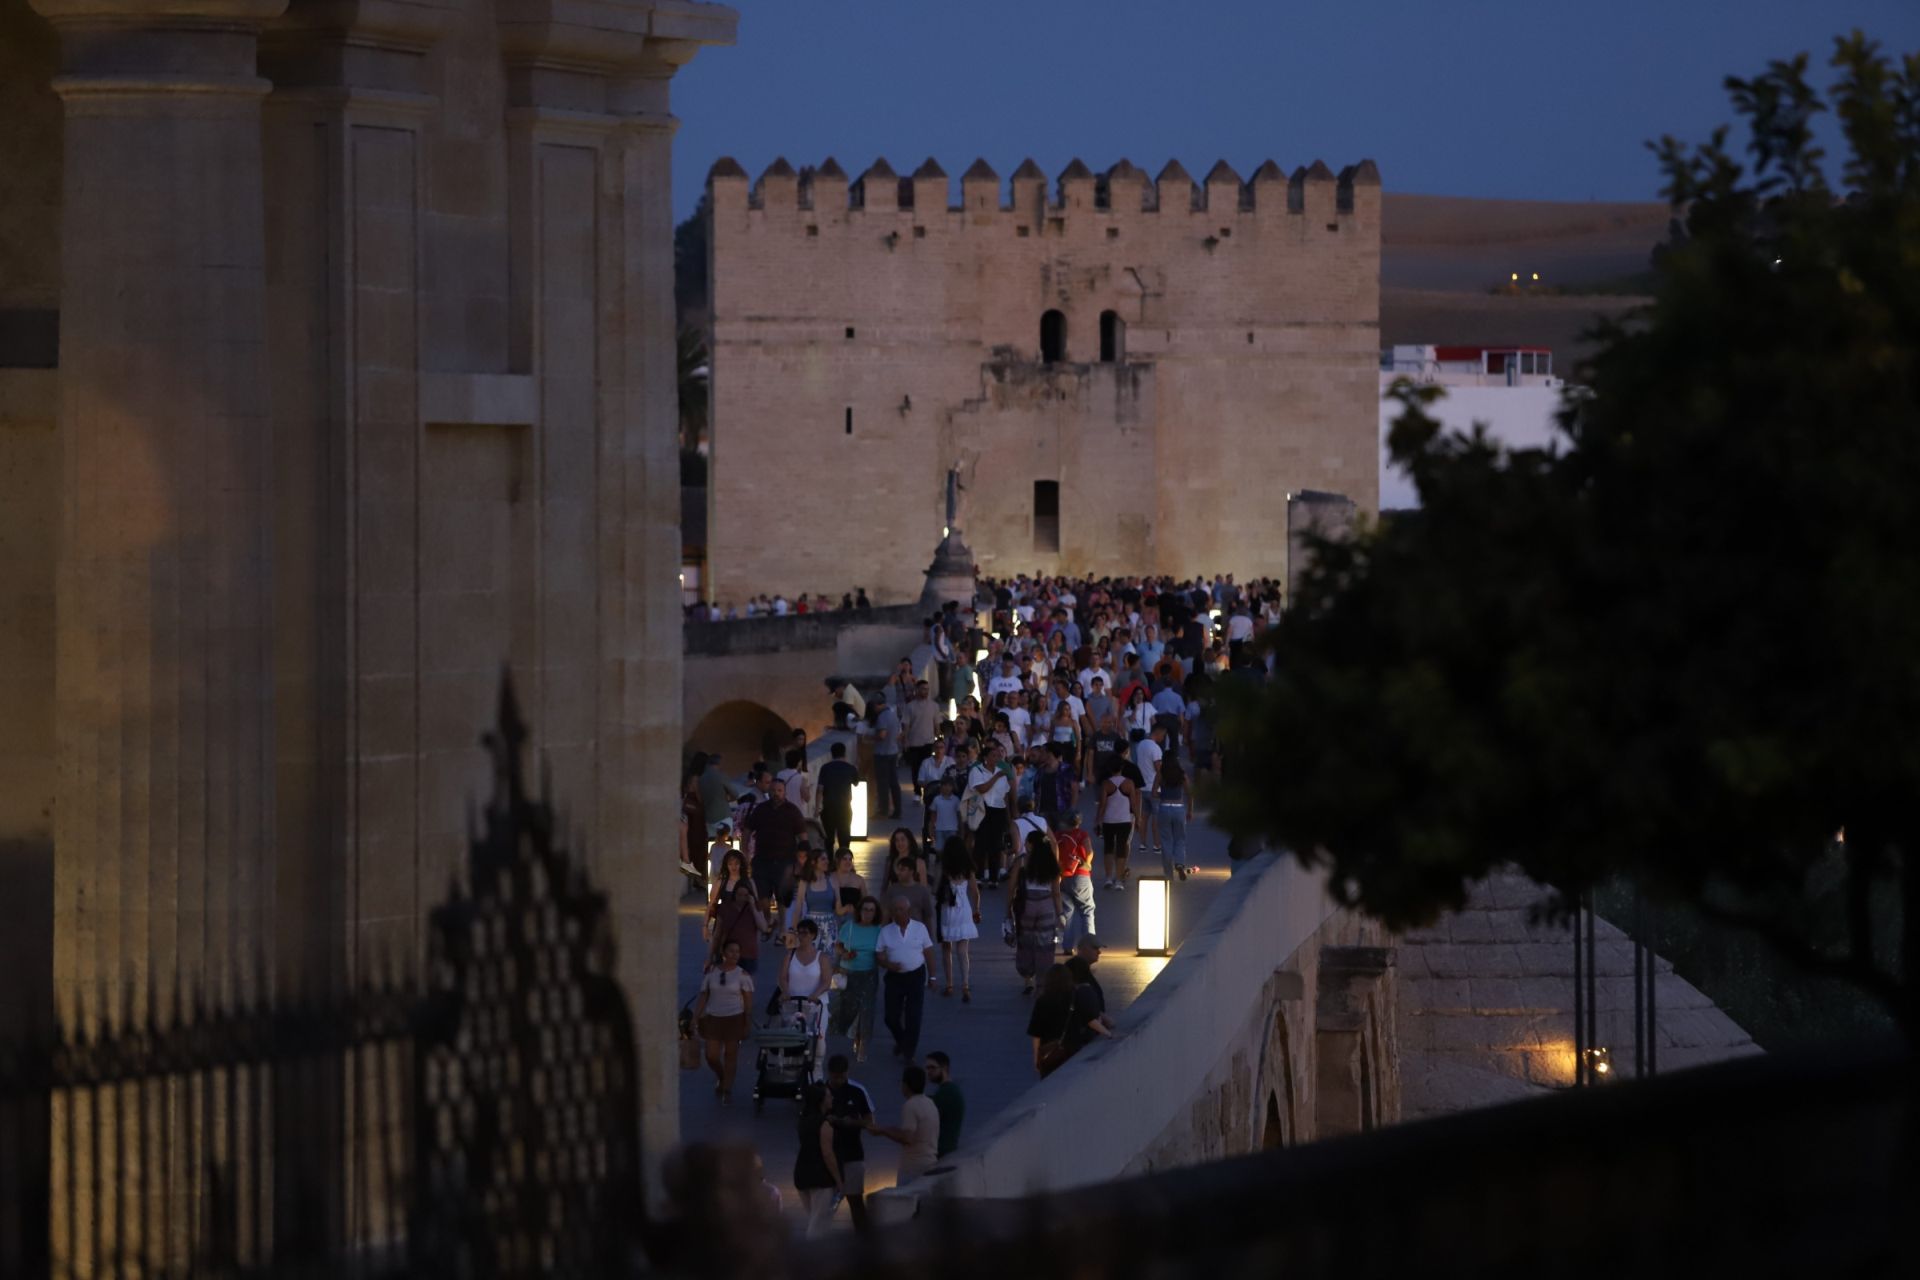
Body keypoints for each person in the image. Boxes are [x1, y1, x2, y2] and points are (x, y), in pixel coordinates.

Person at [691, 940, 755, 1104]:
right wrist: (695, 1017)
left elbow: (748, 999)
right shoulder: (712, 972)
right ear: (723, 953)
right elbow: (703, 996)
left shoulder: (743, 975)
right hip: (714, 1018)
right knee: (711, 1056)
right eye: (731, 951)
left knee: (730, 1054)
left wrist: (747, 1020)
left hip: (734, 1017)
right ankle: (721, 1075)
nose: (735, 955)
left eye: (737, 952)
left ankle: (727, 1087)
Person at [875, 895, 937, 1060]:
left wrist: (933, 977)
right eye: (895, 909)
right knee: (890, 1017)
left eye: (901, 909)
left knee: (913, 1016)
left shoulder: (920, 928)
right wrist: (888, 965)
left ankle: (909, 1052)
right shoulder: (886, 931)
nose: (897, 912)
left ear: (908, 911)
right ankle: (902, 1042)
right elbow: (879, 954)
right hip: (895, 977)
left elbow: (929, 952)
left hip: (916, 976)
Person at [1025, 962, 1108, 1078]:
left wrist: (1036, 1058)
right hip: (1072, 1049)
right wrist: (1108, 1034)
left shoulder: (1042, 1001)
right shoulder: (1075, 997)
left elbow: (1036, 1034)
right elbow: (1090, 1020)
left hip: (1050, 1052)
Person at [1007, 829, 1062, 996]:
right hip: (1046, 906)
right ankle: (1042, 983)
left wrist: (1007, 911)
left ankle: (1027, 977)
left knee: (1026, 941)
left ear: (1031, 844)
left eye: (1027, 842)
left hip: (1026, 906)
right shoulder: (1051, 862)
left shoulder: (1022, 861)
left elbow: (1011, 887)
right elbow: (1056, 891)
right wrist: (1059, 913)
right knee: (1045, 944)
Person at [865, 1064, 940, 1186]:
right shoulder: (930, 1103)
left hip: (913, 1168)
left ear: (905, 1085)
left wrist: (882, 1130)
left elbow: (907, 1137)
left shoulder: (910, 1105)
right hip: (930, 1163)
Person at [824, 1056, 875, 1233]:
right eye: (835, 1077)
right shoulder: (820, 1090)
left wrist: (851, 1123)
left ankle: (863, 1239)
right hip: (827, 1156)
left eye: (842, 1076)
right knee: (825, 1205)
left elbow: (870, 1121)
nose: (838, 1081)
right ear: (829, 1073)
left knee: (855, 1201)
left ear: (847, 1073)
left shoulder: (857, 1091)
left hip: (853, 1154)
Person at [832, 896, 883, 1061]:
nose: (868, 913)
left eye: (871, 910)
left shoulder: (878, 930)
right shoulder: (849, 926)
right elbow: (838, 945)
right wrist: (844, 954)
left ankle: (863, 1046)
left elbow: (883, 950)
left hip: (869, 974)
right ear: (859, 911)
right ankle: (854, 1035)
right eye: (865, 909)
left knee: (867, 1010)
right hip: (849, 973)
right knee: (850, 1009)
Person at [792, 1082, 843, 1238]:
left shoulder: (804, 1119)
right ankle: (813, 1257)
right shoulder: (824, 1124)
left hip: (802, 1172)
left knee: (814, 1218)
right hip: (820, 1176)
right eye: (828, 1096)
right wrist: (839, 1180)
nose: (831, 1098)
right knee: (819, 1225)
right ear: (821, 1100)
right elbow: (827, 1153)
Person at [933, 838, 980, 1001]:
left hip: (947, 910)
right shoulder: (968, 869)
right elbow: (975, 892)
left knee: (947, 949)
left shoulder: (943, 868)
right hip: (964, 910)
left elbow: (934, 889)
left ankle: (949, 984)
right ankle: (965, 985)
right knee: (963, 949)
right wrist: (976, 910)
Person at [705, 848, 767, 973]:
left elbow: (756, 902)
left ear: (741, 865)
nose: (733, 867)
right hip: (725, 923)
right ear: (726, 865)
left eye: (736, 864)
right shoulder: (721, 882)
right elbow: (711, 905)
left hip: (745, 924)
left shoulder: (749, 882)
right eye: (730, 864)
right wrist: (704, 926)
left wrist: (761, 919)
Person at [745, 778, 805, 902]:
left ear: (785, 792)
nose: (776, 793)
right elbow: (747, 830)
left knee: (783, 900)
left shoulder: (793, 811)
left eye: (779, 790)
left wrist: (801, 861)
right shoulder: (761, 809)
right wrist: (745, 852)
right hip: (762, 861)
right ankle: (768, 921)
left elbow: (803, 837)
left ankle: (782, 922)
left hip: (785, 861)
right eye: (773, 790)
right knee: (762, 900)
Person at [967, 741, 1012, 884]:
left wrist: (1008, 815)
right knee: (981, 843)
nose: (996, 758)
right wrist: (995, 777)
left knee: (996, 844)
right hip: (983, 809)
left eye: (997, 756)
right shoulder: (977, 771)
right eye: (993, 756)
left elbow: (1005, 795)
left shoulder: (1001, 774)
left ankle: (994, 877)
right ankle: (979, 876)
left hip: (998, 810)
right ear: (986, 758)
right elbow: (982, 789)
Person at [1053, 811, 1098, 952]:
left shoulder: (1058, 835)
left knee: (1067, 912)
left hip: (1062, 876)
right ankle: (1089, 946)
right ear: (1078, 822)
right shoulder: (1081, 834)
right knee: (1087, 910)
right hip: (1080, 876)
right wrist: (1087, 864)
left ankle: (1067, 947)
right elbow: (1089, 851)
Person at [1098, 761, 1139, 891]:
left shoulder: (1106, 784)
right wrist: (1138, 818)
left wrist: (1098, 819)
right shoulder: (1129, 783)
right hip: (1124, 820)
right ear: (1122, 768)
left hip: (1108, 820)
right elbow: (1133, 803)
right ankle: (1119, 880)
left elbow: (1103, 804)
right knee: (1121, 849)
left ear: (1110, 769)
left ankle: (1108, 878)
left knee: (1108, 848)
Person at [816, 742, 859, 856]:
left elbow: (820, 789)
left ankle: (829, 862)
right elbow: (856, 783)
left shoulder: (825, 768)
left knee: (828, 838)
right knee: (844, 836)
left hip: (828, 807)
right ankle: (843, 859)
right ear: (844, 753)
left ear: (832, 754)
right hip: (845, 807)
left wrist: (817, 808)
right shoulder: (850, 768)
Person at [923, 1051, 965, 1159]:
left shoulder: (946, 1092)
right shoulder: (949, 1090)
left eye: (932, 1068)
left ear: (944, 1068)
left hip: (940, 1153)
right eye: (927, 1068)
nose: (929, 1072)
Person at [1158, 754, 1191, 880]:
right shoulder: (1182, 775)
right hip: (1179, 808)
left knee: (1166, 840)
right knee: (1180, 838)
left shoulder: (1161, 774)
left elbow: (1154, 792)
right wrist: (1190, 810)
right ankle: (1180, 863)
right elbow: (1189, 793)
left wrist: (1163, 795)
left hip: (1164, 807)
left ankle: (1168, 874)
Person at [871, 699, 902, 821]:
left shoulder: (882, 717)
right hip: (893, 751)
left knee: (883, 783)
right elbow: (900, 734)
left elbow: (882, 735)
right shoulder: (892, 713)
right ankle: (897, 810)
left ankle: (883, 811)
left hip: (882, 753)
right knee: (894, 782)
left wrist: (871, 737)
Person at [829, 848, 866, 925]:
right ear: (837, 860)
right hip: (832, 916)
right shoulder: (829, 878)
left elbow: (865, 901)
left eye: (850, 859)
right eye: (844, 859)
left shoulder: (859, 880)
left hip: (852, 917)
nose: (848, 862)